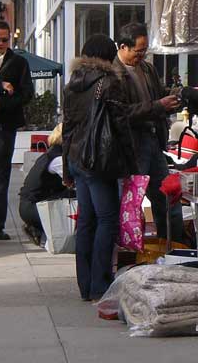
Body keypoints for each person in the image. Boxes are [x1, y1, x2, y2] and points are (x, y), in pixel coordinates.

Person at [62, 34, 138, 301]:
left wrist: (66, 168)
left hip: (77, 158)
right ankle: (100, 283)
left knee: (86, 220)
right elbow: (121, 125)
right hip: (99, 160)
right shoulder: (109, 83)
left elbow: (67, 128)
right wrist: (131, 162)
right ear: (108, 56)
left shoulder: (72, 85)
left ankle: (85, 285)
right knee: (107, 219)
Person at [112, 22, 183, 242]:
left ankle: (173, 243)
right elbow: (122, 113)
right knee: (132, 201)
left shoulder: (147, 69)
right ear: (123, 47)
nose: (142, 55)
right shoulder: (114, 74)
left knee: (166, 195)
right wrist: (158, 106)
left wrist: (175, 97)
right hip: (132, 146)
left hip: (154, 140)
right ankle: (130, 246)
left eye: (145, 50)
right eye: (138, 51)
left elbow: (159, 95)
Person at [0, 20, 33, 240]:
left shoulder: (19, 62)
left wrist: (3, 103)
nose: (1, 43)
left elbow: (27, 94)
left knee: (1, 175)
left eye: (5, 39)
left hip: (6, 124)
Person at [18, 123, 72, 246]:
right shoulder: (57, 160)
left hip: (29, 205)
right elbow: (73, 181)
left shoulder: (50, 154)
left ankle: (38, 228)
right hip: (34, 207)